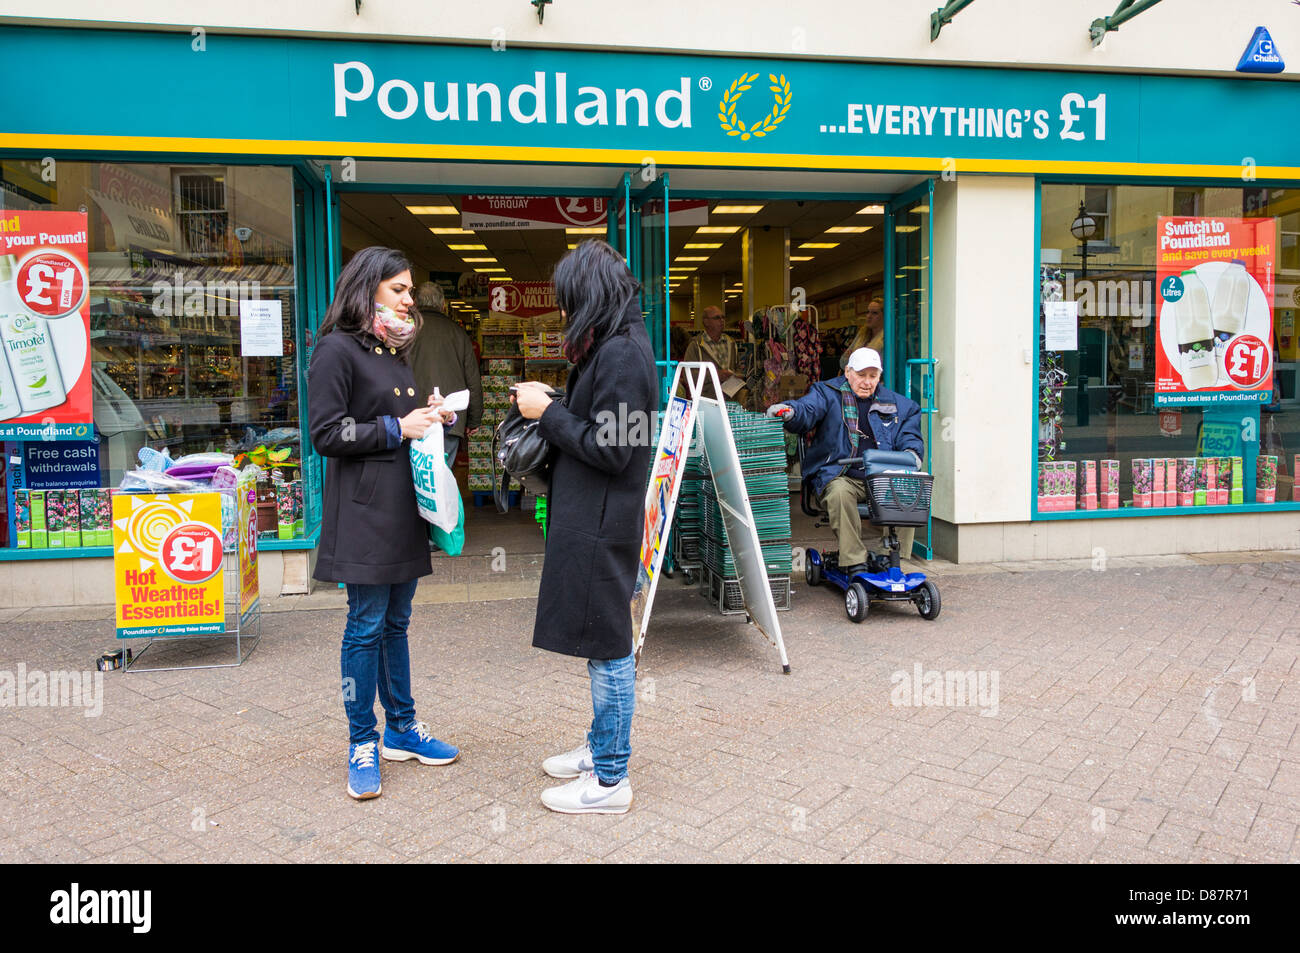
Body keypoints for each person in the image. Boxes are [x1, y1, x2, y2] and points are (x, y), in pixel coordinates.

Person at [308, 246, 461, 801]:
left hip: (402, 510)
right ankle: (362, 740)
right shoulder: (335, 350)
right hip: (365, 515)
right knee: (365, 625)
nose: (408, 297)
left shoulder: (392, 348)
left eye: (410, 289)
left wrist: (430, 413)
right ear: (367, 287)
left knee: (396, 624)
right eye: (399, 288)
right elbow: (326, 434)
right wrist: (399, 428)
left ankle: (403, 726)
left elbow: (398, 418)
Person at [513, 240, 656, 816]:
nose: (567, 314)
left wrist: (545, 414)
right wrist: (558, 401)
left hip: (603, 520)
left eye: (571, 302)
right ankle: (601, 750)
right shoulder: (618, 345)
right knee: (603, 644)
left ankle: (610, 779)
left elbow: (615, 448)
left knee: (610, 648)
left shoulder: (623, 352)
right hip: (596, 516)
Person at [768, 347, 924, 569]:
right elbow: (807, 408)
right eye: (861, 375)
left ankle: (890, 558)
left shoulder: (899, 405)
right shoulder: (827, 392)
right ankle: (855, 561)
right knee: (840, 492)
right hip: (841, 475)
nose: (867, 382)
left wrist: (911, 455)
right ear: (848, 371)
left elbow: (910, 437)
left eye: (873, 376)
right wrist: (789, 410)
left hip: (881, 478)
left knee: (910, 488)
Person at [408, 280, 482, 466]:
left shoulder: (406, 331)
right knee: (440, 480)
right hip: (448, 419)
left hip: (412, 417)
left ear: (415, 303)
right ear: (442, 305)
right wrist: (473, 420)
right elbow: (473, 380)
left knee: (412, 480)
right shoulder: (458, 334)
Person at [683, 305, 740, 383]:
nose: (722, 320)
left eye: (723, 317)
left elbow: (738, 368)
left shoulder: (731, 343)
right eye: (717, 318)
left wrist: (738, 375)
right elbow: (688, 375)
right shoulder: (696, 346)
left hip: (731, 393)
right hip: (706, 395)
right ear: (706, 322)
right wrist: (714, 375)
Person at [840, 296, 884, 371]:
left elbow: (881, 367)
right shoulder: (862, 334)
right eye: (868, 312)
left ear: (884, 316)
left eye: (874, 313)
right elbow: (843, 361)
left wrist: (853, 357)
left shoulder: (887, 338)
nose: (869, 316)